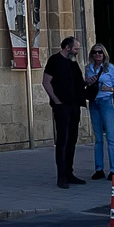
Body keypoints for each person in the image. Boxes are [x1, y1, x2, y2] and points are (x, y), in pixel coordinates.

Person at [42, 36, 88, 189]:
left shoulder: (73, 63)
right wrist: (56, 100)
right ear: (67, 47)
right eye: (75, 49)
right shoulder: (54, 60)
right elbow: (46, 81)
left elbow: (77, 82)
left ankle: (70, 173)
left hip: (74, 106)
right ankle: (61, 176)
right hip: (62, 107)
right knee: (63, 140)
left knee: (72, 139)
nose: (77, 52)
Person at [84, 43, 114, 179]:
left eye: (100, 52)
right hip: (94, 102)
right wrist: (88, 82)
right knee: (98, 138)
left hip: (106, 102)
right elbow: (86, 85)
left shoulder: (109, 68)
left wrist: (110, 89)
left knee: (111, 137)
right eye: (95, 52)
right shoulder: (88, 68)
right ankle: (99, 169)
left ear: (104, 54)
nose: (97, 55)